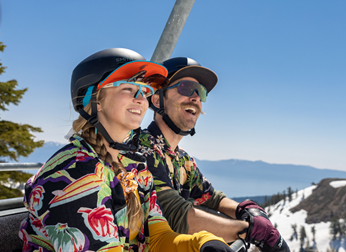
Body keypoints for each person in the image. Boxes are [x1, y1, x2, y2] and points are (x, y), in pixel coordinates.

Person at [19, 48, 234, 252]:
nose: (141, 99)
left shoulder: (136, 166)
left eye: (145, 91)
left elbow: (158, 237)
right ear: (97, 100)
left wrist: (200, 243)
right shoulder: (73, 173)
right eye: (128, 89)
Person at [138, 57, 290, 252]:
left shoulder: (182, 160)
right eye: (185, 88)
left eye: (200, 92)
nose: (195, 98)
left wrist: (243, 210)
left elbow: (212, 197)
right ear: (158, 99)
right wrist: (250, 230)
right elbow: (177, 215)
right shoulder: (143, 149)